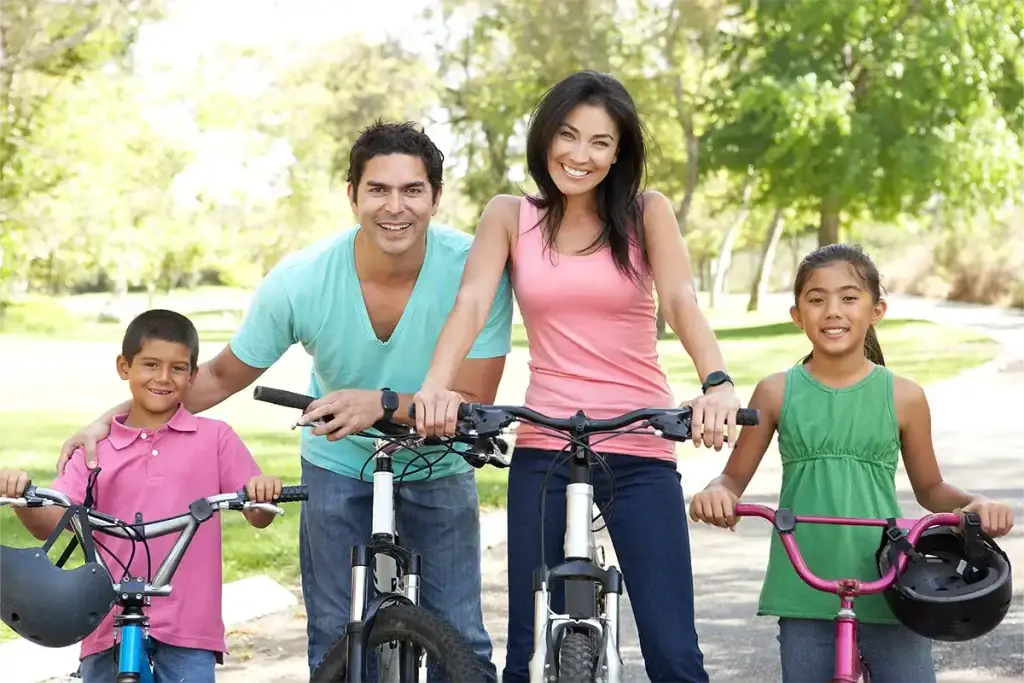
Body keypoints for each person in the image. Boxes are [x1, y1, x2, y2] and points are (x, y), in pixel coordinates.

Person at [55, 121, 513, 681]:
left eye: (413, 190)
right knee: (334, 637)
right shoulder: (301, 280)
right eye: (378, 189)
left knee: (461, 636)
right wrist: (110, 420)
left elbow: (472, 398)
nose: (396, 207)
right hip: (338, 464)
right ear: (352, 195)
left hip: (438, 462)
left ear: (436, 198)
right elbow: (220, 374)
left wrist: (383, 402)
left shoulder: (475, 270)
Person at [413, 70, 742, 683]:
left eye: (600, 142)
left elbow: (679, 301)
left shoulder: (648, 213)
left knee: (674, 654)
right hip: (545, 448)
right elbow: (472, 303)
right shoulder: (511, 215)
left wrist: (716, 381)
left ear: (619, 153)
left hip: (640, 447)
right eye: (569, 135)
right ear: (545, 139)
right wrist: (437, 385)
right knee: (530, 652)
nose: (581, 155)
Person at [688, 243, 1015, 683]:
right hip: (805, 585)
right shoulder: (776, 391)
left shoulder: (904, 396)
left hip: (891, 582)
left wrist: (974, 504)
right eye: (816, 299)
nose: (832, 311)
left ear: (876, 310)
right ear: (797, 314)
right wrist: (718, 493)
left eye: (848, 297)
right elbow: (733, 477)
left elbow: (931, 489)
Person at [1, 309, 284, 683]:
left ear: (193, 375)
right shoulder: (94, 449)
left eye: (178, 368)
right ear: (124, 367)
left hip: (187, 623)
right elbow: (53, 523)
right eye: (150, 364)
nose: (163, 378)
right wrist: (21, 497)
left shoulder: (215, 438)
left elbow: (257, 513)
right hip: (104, 619)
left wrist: (262, 491)